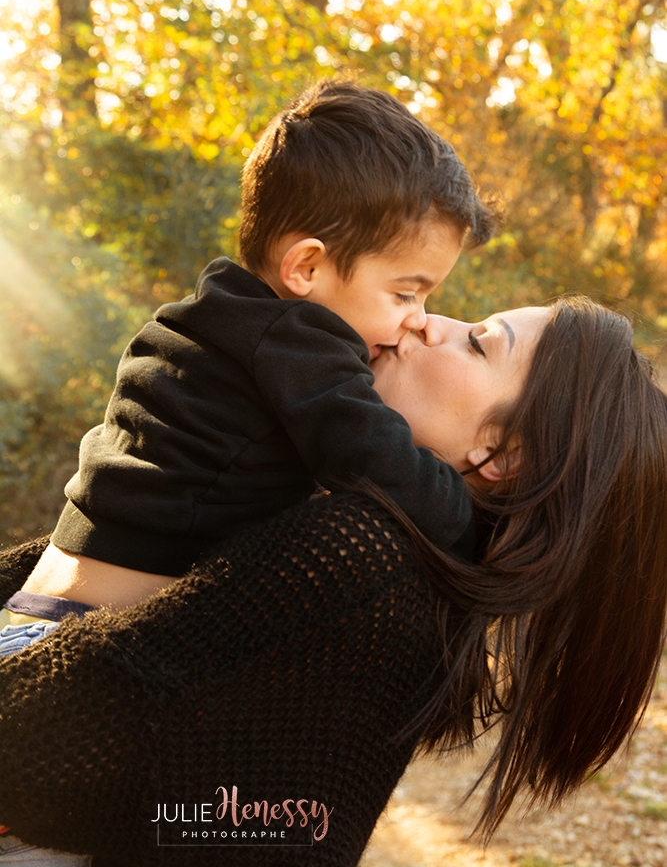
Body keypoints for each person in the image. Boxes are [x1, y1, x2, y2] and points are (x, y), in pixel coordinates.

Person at [0, 296, 666, 867]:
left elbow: (45, 738)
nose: (431, 323)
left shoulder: (365, 556)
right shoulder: (410, 563)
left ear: (502, 453)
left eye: (478, 343)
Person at [4, 79, 494, 641]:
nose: (420, 318)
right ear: (307, 268)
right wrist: (472, 520)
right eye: (407, 293)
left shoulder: (210, 317)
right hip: (83, 636)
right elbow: (381, 462)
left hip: (34, 610)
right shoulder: (297, 345)